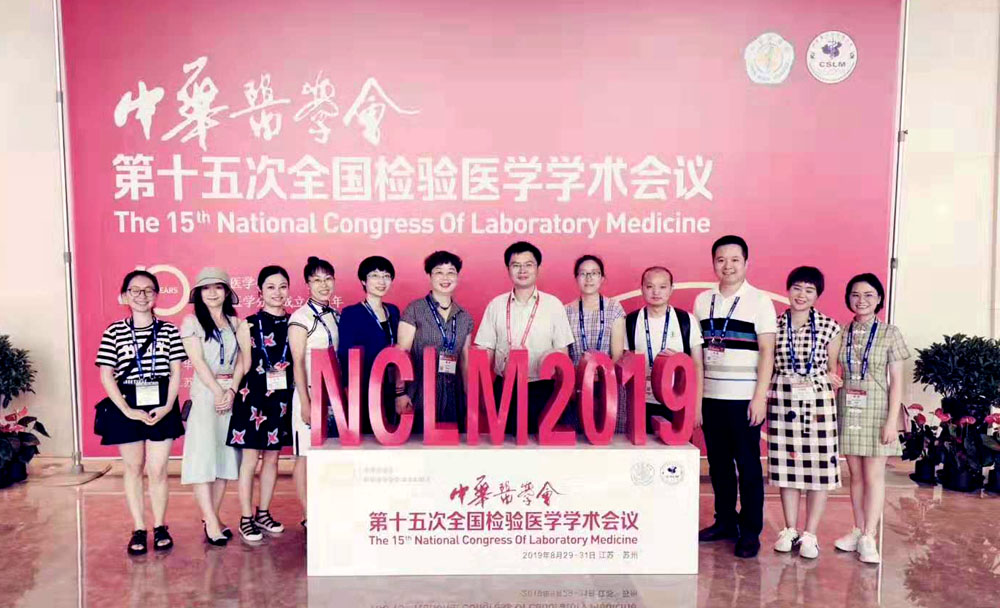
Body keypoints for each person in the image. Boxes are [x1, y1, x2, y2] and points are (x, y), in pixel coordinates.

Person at [693, 235, 776, 559]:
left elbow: (767, 351)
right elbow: (698, 354)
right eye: (721, 260)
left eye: (734, 260)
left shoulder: (760, 301)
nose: (727, 266)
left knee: (748, 466)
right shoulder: (703, 301)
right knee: (718, 465)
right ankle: (725, 521)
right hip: (712, 397)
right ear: (714, 262)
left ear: (746, 262)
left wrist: (760, 398)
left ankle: (750, 531)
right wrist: (699, 399)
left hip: (744, 399)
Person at [96, 270, 186, 556]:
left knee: (157, 469)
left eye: (148, 290)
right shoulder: (114, 331)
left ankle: (160, 525)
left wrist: (168, 406)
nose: (142, 295)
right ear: (124, 296)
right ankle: (138, 527)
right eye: (135, 290)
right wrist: (127, 410)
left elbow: (176, 372)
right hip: (127, 403)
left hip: (162, 401)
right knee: (133, 468)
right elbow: (106, 374)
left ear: (156, 296)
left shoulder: (169, 330)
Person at [767, 266, 843, 559]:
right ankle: (789, 529)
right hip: (783, 398)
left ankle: (810, 534)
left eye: (809, 290)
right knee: (787, 467)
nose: (801, 295)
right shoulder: (774, 324)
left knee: (818, 469)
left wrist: (830, 378)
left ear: (817, 295)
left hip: (818, 402)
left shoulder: (829, 326)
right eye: (797, 288)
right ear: (788, 290)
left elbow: (832, 369)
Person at [833, 273, 909, 565]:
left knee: (874, 476)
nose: (861, 300)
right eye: (855, 294)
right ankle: (857, 529)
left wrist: (892, 421)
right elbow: (832, 368)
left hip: (878, 410)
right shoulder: (842, 332)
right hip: (849, 408)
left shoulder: (890, 333)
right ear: (848, 298)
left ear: (879, 299)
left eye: (868, 295)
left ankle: (869, 535)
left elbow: (897, 381)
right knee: (855, 476)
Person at [474, 241, 575, 434]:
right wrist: (482, 392)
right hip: (504, 390)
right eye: (516, 265)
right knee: (505, 446)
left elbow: (562, 353)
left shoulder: (553, 305)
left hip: (542, 391)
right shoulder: (496, 305)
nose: (522, 270)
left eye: (528, 264)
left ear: (538, 268)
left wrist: (564, 393)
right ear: (508, 269)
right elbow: (486, 352)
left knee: (541, 447)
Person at [226, 266, 294, 541]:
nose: (277, 292)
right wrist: (231, 390)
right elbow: (243, 363)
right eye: (271, 287)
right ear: (260, 292)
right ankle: (246, 517)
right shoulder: (249, 324)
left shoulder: (296, 323)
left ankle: (263, 513)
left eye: (282, 286)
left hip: (281, 400)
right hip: (252, 398)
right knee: (250, 460)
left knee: (273, 459)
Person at [180, 267, 243, 547]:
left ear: (227, 292)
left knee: (224, 457)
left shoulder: (236, 323)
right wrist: (218, 391)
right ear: (199, 293)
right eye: (206, 288)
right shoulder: (191, 322)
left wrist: (232, 390)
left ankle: (212, 518)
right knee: (202, 456)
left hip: (230, 395)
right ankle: (211, 519)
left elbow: (242, 360)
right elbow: (197, 361)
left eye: (218, 287)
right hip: (206, 394)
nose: (212, 293)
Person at [397, 251, 475, 432]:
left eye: (451, 272)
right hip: (419, 393)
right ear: (429, 276)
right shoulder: (414, 309)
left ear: (457, 277)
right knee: (417, 444)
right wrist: (399, 393)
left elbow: (465, 362)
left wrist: (469, 398)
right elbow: (401, 355)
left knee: (452, 446)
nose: (445, 277)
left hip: (453, 395)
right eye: (439, 272)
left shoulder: (465, 317)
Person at [288, 256, 339, 531]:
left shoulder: (336, 316)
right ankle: (309, 513)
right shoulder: (300, 317)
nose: (323, 285)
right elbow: (297, 362)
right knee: (305, 456)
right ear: (307, 284)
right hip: (308, 394)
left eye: (328, 279)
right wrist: (306, 402)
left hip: (334, 397)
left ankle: (328, 508)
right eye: (317, 280)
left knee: (329, 454)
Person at [624, 266, 704, 434]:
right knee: (641, 449)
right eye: (650, 286)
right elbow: (624, 362)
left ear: (671, 289)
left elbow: (697, 365)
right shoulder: (630, 321)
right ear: (642, 288)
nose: (656, 292)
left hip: (678, 402)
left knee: (677, 451)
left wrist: (696, 406)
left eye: (662, 286)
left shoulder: (686, 320)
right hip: (640, 403)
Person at [338, 256, 401, 434]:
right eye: (374, 276)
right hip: (365, 387)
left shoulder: (393, 311)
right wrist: (349, 389)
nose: (381, 281)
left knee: (393, 433)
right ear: (363, 281)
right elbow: (344, 354)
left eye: (386, 276)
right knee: (368, 438)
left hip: (391, 385)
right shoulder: (351, 313)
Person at [565, 255, 626, 431]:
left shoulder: (614, 308)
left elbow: (617, 354)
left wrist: (603, 377)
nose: (589, 278)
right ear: (576, 278)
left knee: (609, 438)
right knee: (577, 436)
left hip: (608, 384)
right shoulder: (566, 311)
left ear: (602, 278)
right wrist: (577, 380)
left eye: (594, 273)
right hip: (576, 385)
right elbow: (564, 354)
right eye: (583, 273)